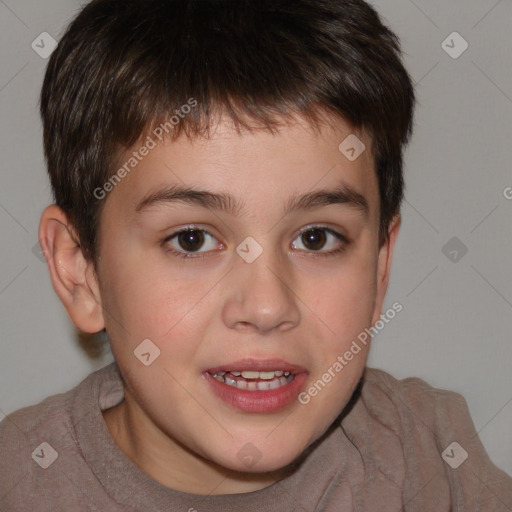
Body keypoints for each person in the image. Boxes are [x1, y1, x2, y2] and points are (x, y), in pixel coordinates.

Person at [1, 0, 511, 510]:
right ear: (80, 271)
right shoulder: (19, 483)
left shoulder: (434, 465)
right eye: (192, 240)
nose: (267, 307)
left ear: (379, 270)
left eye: (316, 238)